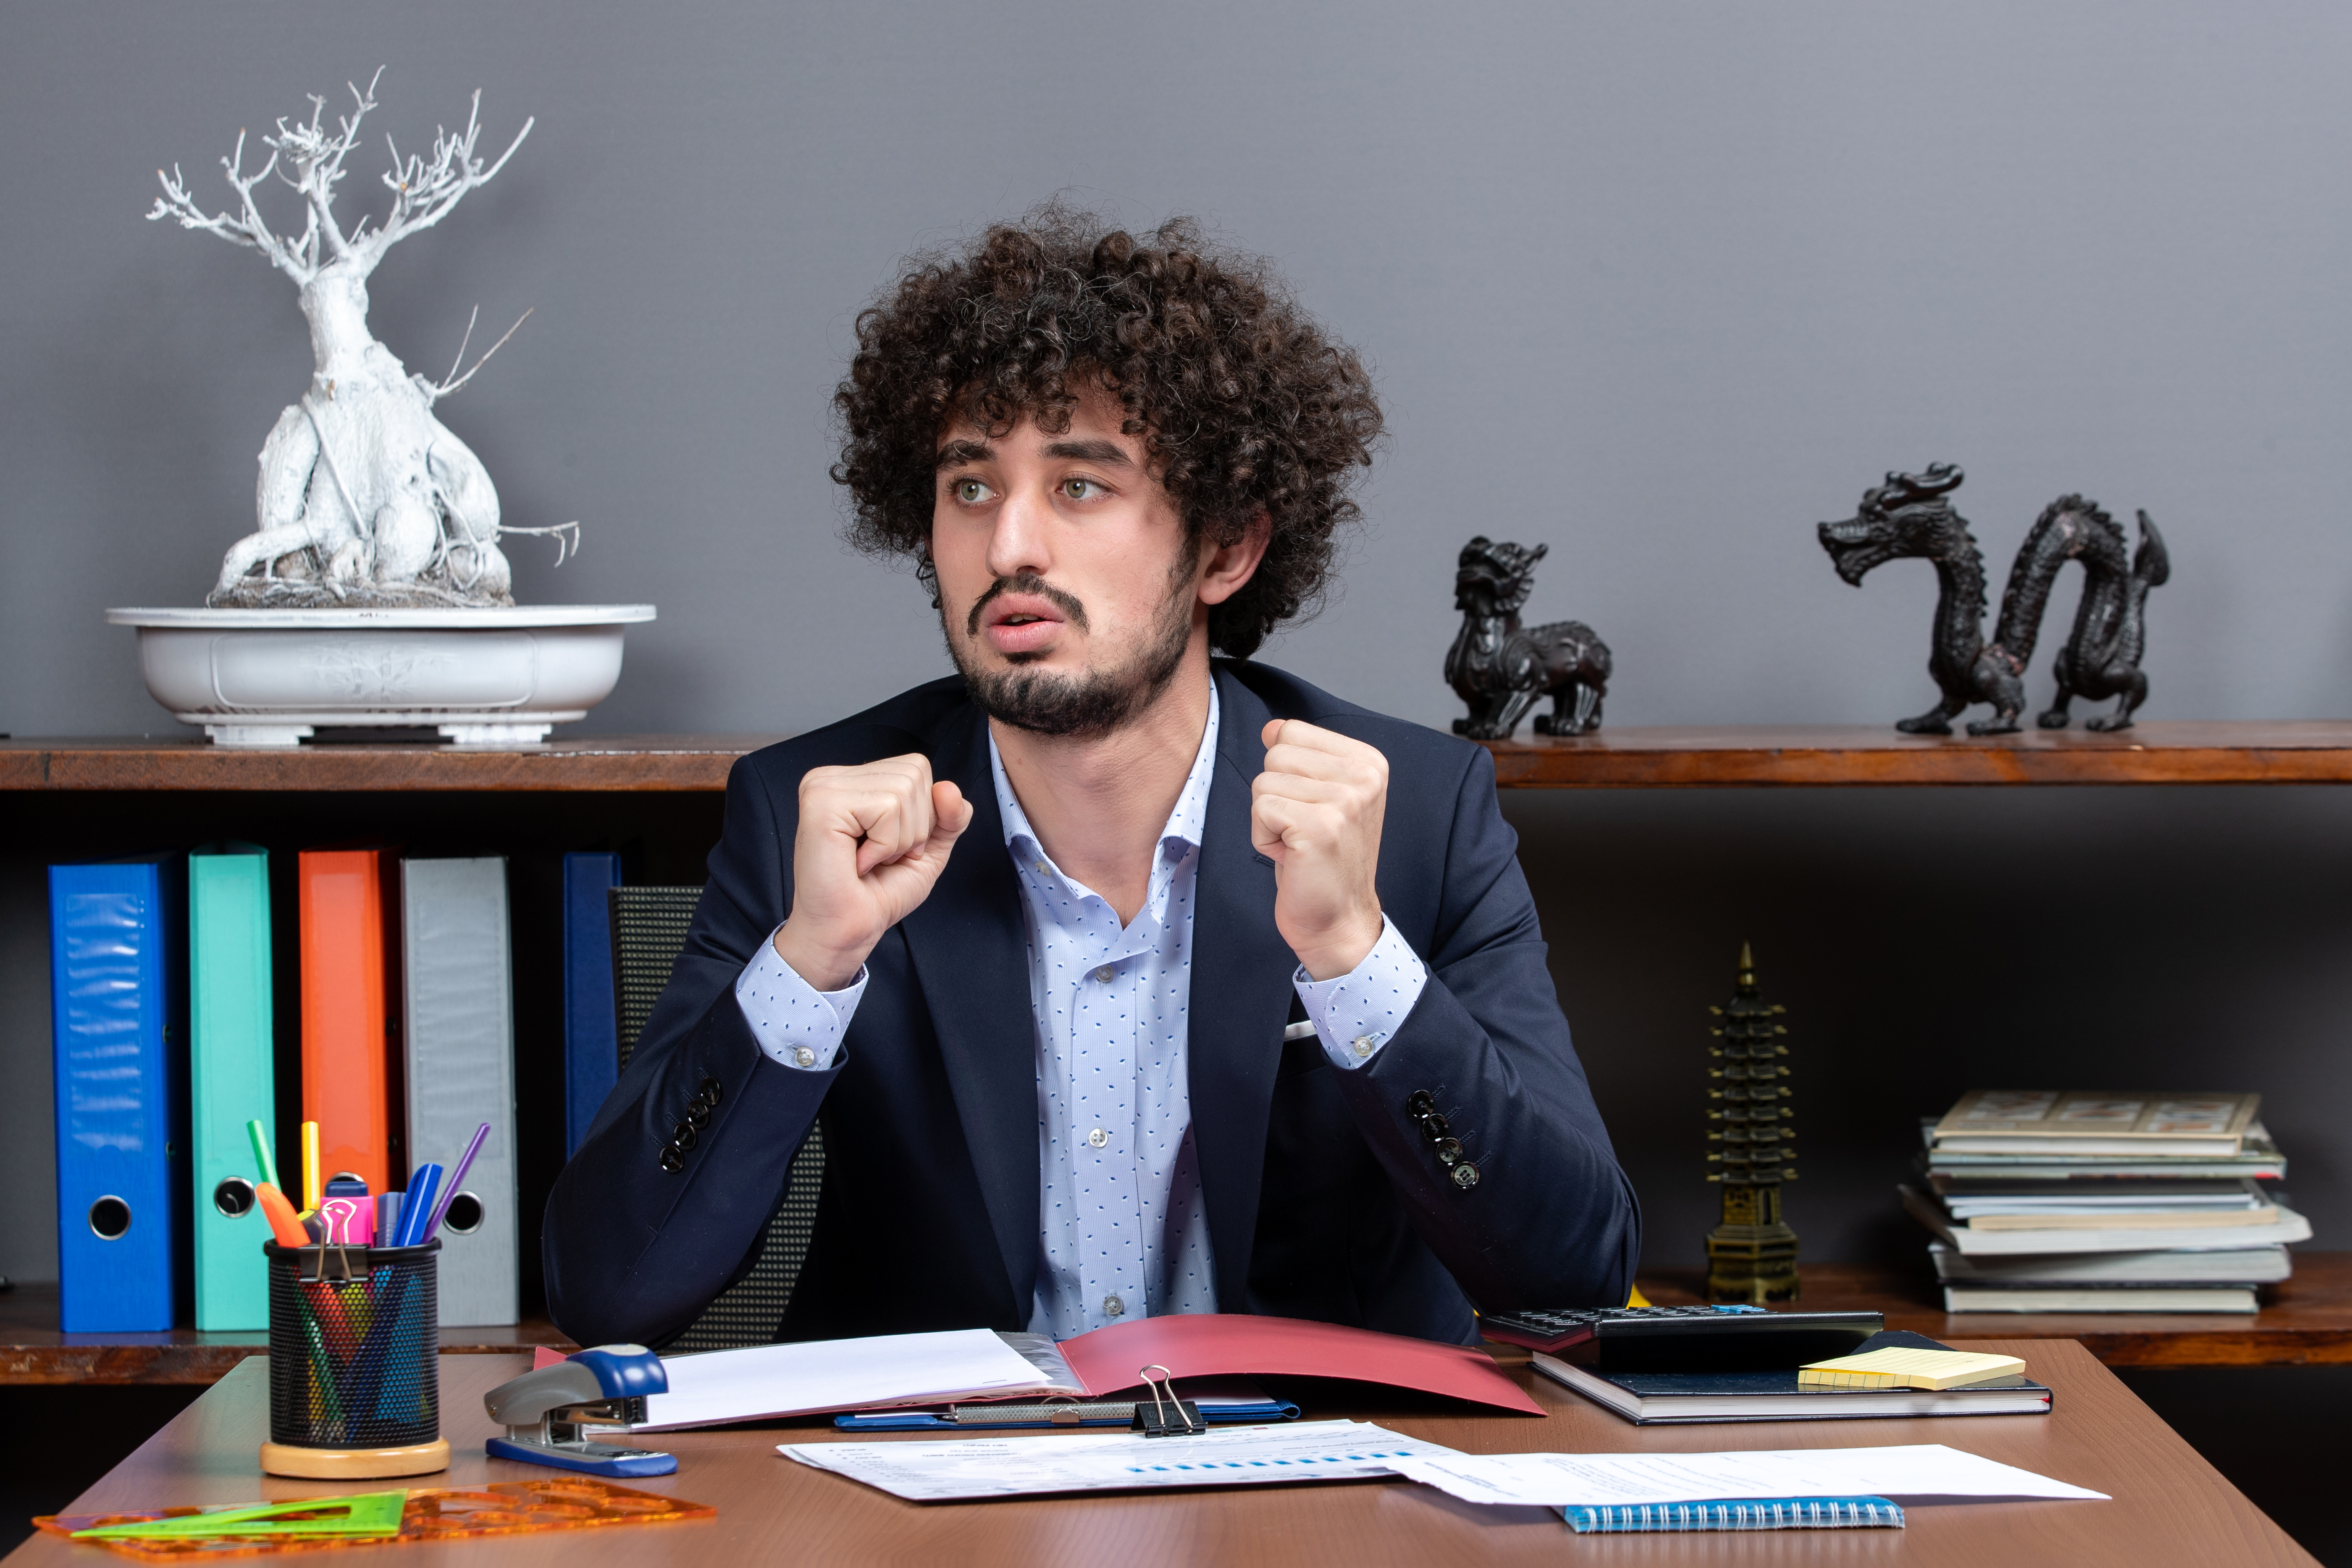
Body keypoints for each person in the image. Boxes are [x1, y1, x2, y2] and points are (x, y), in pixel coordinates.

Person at [544, 210, 1639, 1350]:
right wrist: (808, 968)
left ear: (1225, 548)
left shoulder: (1411, 814)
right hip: (938, 1499)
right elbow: (612, 1295)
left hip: (1315, 1495)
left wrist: (1358, 961)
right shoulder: (809, 818)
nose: (1010, 542)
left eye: (1079, 486)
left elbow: (1569, 1272)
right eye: (971, 487)